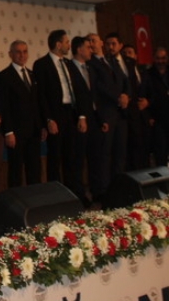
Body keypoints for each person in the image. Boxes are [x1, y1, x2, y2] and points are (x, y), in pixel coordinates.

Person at [86, 32, 127, 204]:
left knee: (119, 153)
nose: (91, 44)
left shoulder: (111, 61)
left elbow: (122, 80)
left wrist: (125, 96)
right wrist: (118, 97)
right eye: (88, 42)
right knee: (104, 155)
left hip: (119, 114)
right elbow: (99, 87)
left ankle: (119, 187)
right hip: (105, 114)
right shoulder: (90, 64)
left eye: (94, 40)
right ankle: (102, 191)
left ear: (101, 42)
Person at [32, 29, 76, 184]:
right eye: (66, 42)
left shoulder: (68, 64)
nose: (69, 45)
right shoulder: (41, 64)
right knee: (55, 156)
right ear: (58, 44)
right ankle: (55, 191)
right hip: (55, 115)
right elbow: (41, 95)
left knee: (71, 155)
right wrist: (49, 119)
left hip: (70, 112)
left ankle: (72, 191)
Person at [0, 41, 42, 187]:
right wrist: (8, 131)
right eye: (18, 52)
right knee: (15, 171)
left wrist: (41, 126)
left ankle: (35, 199)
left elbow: (37, 103)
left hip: (33, 131)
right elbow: (4, 106)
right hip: (16, 132)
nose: (22, 55)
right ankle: (16, 200)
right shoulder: (4, 76)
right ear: (10, 54)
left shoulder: (32, 74)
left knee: (34, 169)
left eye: (25, 51)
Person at [106, 32, 148, 169]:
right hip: (117, 111)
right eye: (108, 44)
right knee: (121, 150)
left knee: (137, 145)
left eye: (113, 44)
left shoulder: (129, 62)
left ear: (120, 45)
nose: (110, 47)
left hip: (133, 110)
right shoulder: (105, 63)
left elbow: (134, 84)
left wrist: (130, 97)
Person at [141, 47, 169, 178]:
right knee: (160, 153)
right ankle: (164, 182)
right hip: (157, 119)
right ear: (154, 59)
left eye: (163, 58)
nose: (160, 61)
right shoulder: (147, 75)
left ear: (167, 59)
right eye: (158, 58)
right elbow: (143, 96)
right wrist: (148, 116)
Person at [67, 36, 94, 206]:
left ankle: (96, 191)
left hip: (94, 119)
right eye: (88, 47)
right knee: (77, 160)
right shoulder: (68, 68)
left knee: (94, 157)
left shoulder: (91, 68)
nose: (91, 50)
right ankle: (78, 194)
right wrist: (81, 116)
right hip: (78, 120)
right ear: (79, 49)